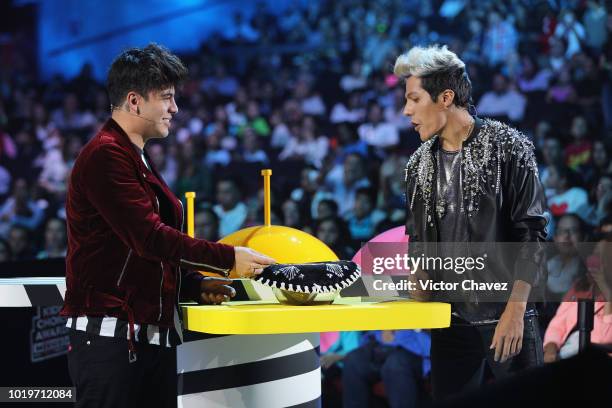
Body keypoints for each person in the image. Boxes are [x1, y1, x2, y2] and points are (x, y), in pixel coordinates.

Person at [60, 43, 275, 408]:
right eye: (167, 98)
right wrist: (225, 258)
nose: (175, 109)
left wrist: (192, 283)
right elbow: (148, 237)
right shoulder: (106, 155)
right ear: (134, 101)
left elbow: (139, 251)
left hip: (146, 339)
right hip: (112, 342)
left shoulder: (133, 156)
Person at [396, 45, 547, 399]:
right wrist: (415, 285)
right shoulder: (417, 164)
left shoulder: (509, 147)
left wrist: (516, 312)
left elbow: (533, 235)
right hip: (450, 323)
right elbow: (417, 241)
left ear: (445, 97)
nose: (406, 111)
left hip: (507, 313)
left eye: (414, 99)